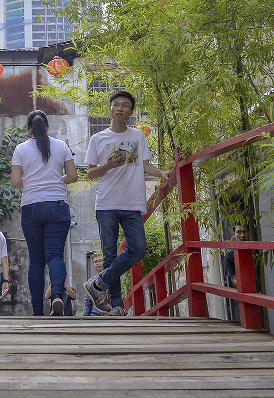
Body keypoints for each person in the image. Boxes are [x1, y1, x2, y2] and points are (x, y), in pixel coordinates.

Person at [83, 90, 167, 316]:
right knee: (110, 255)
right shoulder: (98, 139)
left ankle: (98, 284)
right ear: (109, 109)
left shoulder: (137, 136)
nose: (120, 108)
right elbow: (91, 174)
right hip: (107, 202)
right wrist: (108, 166)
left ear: (131, 111)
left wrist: (162, 173)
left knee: (138, 249)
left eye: (125, 105)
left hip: (132, 202)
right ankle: (117, 306)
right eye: (116, 104)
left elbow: (146, 166)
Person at [10, 111, 78, 316]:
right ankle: (57, 294)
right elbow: (73, 176)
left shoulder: (20, 149)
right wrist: (57, 180)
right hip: (57, 206)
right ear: (47, 127)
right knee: (55, 255)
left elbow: (15, 182)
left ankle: (37, 310)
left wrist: (32, 182)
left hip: (31, 207)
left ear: (29, 129)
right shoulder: (62, 146)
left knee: (36, 260)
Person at [223, 224, 248, 288]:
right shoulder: (229, 254)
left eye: (244, 232)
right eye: (239, 232)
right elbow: (234, 280)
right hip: (240, 291)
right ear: (234, 234)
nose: (242, 235)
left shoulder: (251, 249)